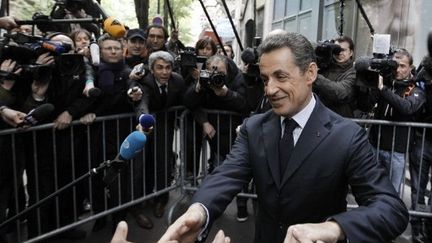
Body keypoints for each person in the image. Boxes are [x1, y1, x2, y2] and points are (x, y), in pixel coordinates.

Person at [159, 32, 409, 243]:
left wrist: (334, 228)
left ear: (310, 73)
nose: (270, 90)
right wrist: (198, 211)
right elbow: (226, 175)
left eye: (281, 77)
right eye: (266, 79)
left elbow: (391, 209)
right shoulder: (254, 128)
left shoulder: (346, 135)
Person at [365, 48, 426, 194]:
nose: (397, 69)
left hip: (396, 151)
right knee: (370, 188)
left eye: (402, 66)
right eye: (395, 65)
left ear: (411, 68)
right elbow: (366, 105)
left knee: (392, 193)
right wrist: (372, 85)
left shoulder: (415, 90)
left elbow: (407, 108)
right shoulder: (385, 82)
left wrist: (383, 89)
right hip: (375, 145)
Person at [313, 36, 357, 118]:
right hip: (319, 117)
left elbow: (341, 93)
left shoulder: (353, 72)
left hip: (340, 121)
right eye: (336, 50)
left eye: (343, 50)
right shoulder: (325, 66)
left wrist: (315, 76)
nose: (339, 53)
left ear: (351, 53)